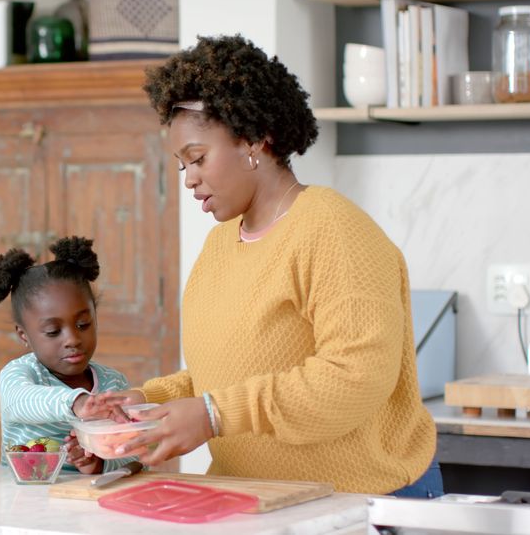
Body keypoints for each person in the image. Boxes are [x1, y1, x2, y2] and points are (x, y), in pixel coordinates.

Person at [96, 34, 441, 497]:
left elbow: (355, 378)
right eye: (182, 166)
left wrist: (214, 414)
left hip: (359, 501)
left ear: (255, 137)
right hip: (254, 502)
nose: (190, 178)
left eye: (197, 158)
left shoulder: (334, 229)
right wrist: (148, 402)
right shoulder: (220, 246)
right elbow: (218, 379)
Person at [0, 236, 137, 474]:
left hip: (87, 505)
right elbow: (20, 402)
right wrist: (76, 403)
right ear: (24, 334)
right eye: (53, 331)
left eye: (83, 324)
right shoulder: (19, 374)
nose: (72, 339)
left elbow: (135, 454)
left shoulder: (114, 383)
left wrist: (98, 463)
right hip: (22, 502)